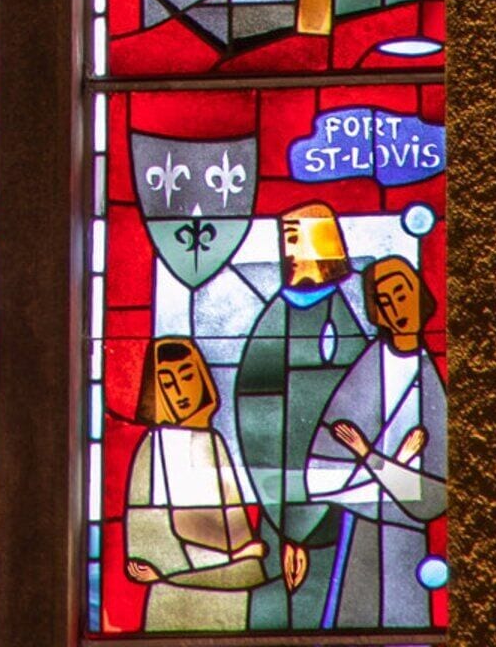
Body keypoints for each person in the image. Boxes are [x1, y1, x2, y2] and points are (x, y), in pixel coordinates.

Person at [232, 204, 368, 628]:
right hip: (281, 500)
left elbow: (361, 407)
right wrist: (289, 526)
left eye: (296, 236)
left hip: (338, 504)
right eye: (286, 237)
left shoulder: (341, 315)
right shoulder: (278, 316)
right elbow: (258, 416)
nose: (288, 248)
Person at [303, 253, 448, 625]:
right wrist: (390, 463)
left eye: (401, 293)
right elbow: (322, 471)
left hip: (407, 536)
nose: (395, 307)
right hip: (362, 532)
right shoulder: (367, 371)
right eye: (383, 301)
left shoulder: (431, 376)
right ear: (376, 314)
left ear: (419, 293)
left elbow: (435, 495)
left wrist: (369, 456)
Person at [120, 338, 269, 630]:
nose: (180, 392)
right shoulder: (153, 448)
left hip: (231, 603)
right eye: (167, 383)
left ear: (202, 379)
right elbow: (151, 553)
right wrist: (235, 560)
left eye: (187, 377)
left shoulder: (213, 442)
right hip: (176, 602)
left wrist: (241, 558)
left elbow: (243, 545)